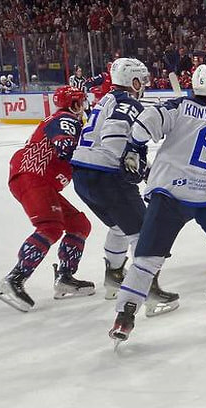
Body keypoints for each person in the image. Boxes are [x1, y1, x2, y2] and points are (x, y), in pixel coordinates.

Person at [109, 64, 206, 343]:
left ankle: (124, 316)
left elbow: (145, 123)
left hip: (169, 192)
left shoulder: (179, 106)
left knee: (147, 260)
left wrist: (134, 148)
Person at [71, 58, 179, 317]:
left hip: (82, 174)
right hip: (107, 176)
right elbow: (115, 139)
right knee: (145, 234)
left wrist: (144, 166)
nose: (144, 85)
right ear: (133, 81)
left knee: (119, 226)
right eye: (141, 80)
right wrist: (134, 165)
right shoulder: (128, 102)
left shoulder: (105, 100)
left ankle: (114, 277)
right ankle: (149, 293)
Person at [0, 86, 93, 312]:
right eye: (82, 101)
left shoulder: (68, 120)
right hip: (32, 176)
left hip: (40, 181)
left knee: (79, 224)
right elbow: (67, 147)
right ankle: (14, 279)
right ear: (75, 104)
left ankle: (65, 278)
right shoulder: (66, 118)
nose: (85, 105)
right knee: (50, 227)